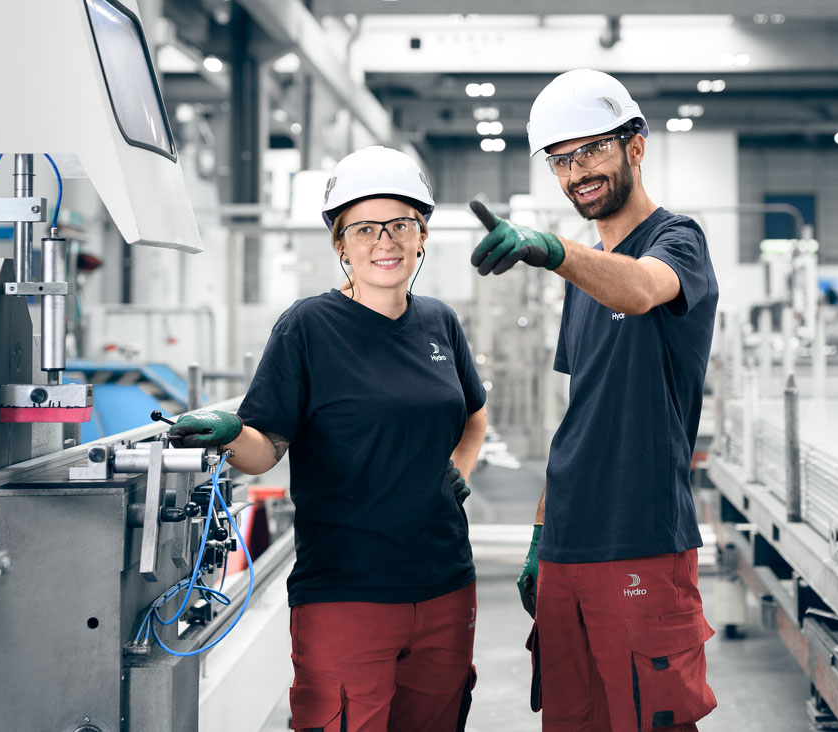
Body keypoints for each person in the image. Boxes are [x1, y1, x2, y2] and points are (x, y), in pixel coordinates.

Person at [170, 146, 489, 731]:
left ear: (422, 236)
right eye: (364, 228)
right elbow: (266, 446)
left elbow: (473, 415)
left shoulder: (440, 322)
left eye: (401, 225)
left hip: (445, 583)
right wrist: (228, 434)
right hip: (346, 588)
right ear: (340, 245)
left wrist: (460, 468)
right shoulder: (307, 327)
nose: (384, 241)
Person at [470, 69, 719, 732]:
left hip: (640, 540)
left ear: (635, 146)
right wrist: (540, 533)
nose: (577, 171)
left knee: (649, 719)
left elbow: (639, 289)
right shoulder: (581, 281)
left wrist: (553, 250)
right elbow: (580, 418)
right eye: (561, 159)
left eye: (592, 151)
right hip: (567, 552)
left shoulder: (678, 242)